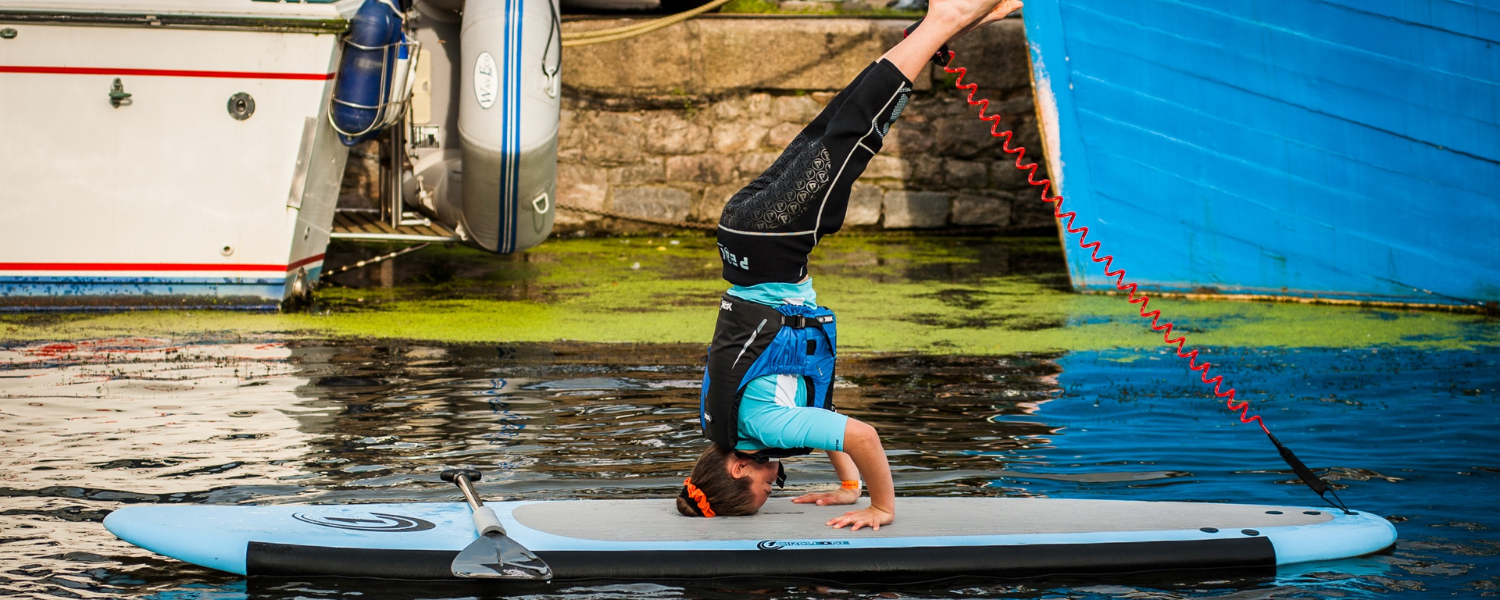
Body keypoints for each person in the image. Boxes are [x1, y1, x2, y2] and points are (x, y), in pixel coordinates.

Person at [677, 0, 1024, 531]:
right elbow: (822, 421)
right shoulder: (734, 426)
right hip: (741, 236)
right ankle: (935, 28)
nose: (776, 483)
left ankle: (948, 17)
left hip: (774, 242)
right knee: (839, 121)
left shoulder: (762, 423)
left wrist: (879, 506)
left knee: (854, 133)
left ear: (738, 467)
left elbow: (861, 435)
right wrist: (846, 485)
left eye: (767, 486)